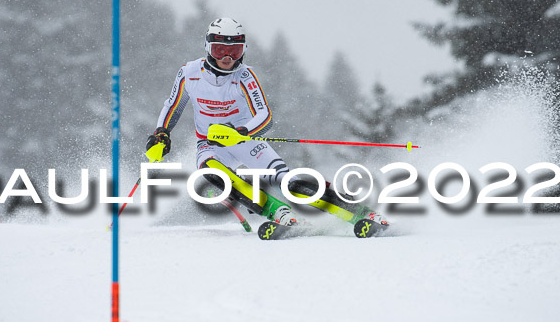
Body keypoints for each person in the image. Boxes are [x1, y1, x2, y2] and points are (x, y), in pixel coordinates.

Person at [146, 17, 388, 237]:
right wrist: (161, 134)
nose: (227, 57)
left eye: (234, 50)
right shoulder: (189, 73)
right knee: (214, 173)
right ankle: (280, 213)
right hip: (211, 146)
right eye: (220, 49)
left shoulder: (245, 76)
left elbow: (265, 116)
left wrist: (242, 133)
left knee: (289, 182)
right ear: (208, 47)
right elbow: (173, 106)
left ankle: (361, 213)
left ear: (243, 50)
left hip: (245, 142)